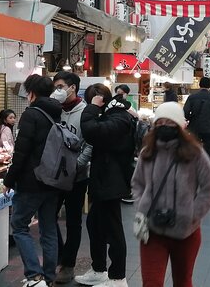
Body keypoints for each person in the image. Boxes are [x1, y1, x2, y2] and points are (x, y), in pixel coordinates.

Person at [132, 102, 210, 287]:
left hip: (186, 232)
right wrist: (142, 206)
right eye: (160, 122)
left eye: (170, 122)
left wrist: (191, 214)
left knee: (182, 281)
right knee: (151, 282)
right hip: (152, 230)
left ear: (179, 125)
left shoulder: (195, 153)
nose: (164, 126)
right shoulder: (148, 152)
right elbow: (137, 183)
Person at [3, 74, 61, 287]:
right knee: (49, 228)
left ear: (32, 93)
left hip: (31, 181)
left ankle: (34, 277)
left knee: (19, 225)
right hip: (53, 180)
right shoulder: (57, 113)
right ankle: (49, 277)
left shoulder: (31, 115)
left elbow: (21, 153)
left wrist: (9, 180)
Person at [75, 83, 134, 287]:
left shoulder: (119, 116)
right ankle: (99, 269)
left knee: (113, 229)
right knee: (95, 224)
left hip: (112, 181)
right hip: (104, 179)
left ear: (100, 99)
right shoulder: (112, 114)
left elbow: (91, 131)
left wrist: (91, 109)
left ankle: (118, 277)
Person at [51, 71, 92, 284]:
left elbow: (90, 143)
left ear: (72, 87)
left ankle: (68, 265)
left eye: (60, 86)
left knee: (73, 222)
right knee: (48, 216)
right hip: (54, 176)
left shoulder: (85, 112)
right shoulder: (54, 110)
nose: (57, 91)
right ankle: (58, 256)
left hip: (77, 177)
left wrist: (77, 164)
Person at [183, 76, 210, 159]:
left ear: (200, 85)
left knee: (192, 153)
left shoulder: (192, 97)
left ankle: (193, 169)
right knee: (208, 153)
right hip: (208, 128)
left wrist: (190, 118)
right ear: (209, 85)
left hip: (194, 128)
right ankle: (206, 169)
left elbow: (185, 112)